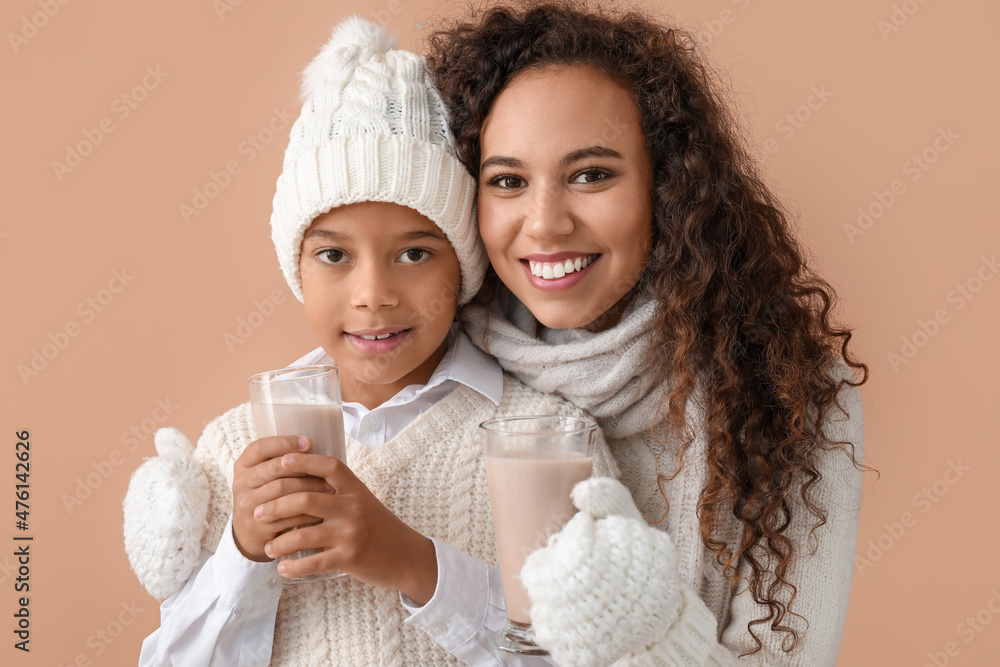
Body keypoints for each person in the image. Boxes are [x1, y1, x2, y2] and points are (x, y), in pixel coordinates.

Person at [122, 17, 616, 666]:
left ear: (463, 266)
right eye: (333, 254)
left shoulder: (548, 438)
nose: (373, 293)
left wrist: (414, 563)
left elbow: (604, 651)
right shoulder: (236, 452)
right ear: (296, 267)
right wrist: (244, 553)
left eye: (414, 252)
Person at [423, 2, 872, 665]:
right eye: (508, 181)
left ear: (665, 187)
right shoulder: (443, 369)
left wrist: (643, 623)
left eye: (591, 174)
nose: (544, 224)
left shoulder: (787, 393)